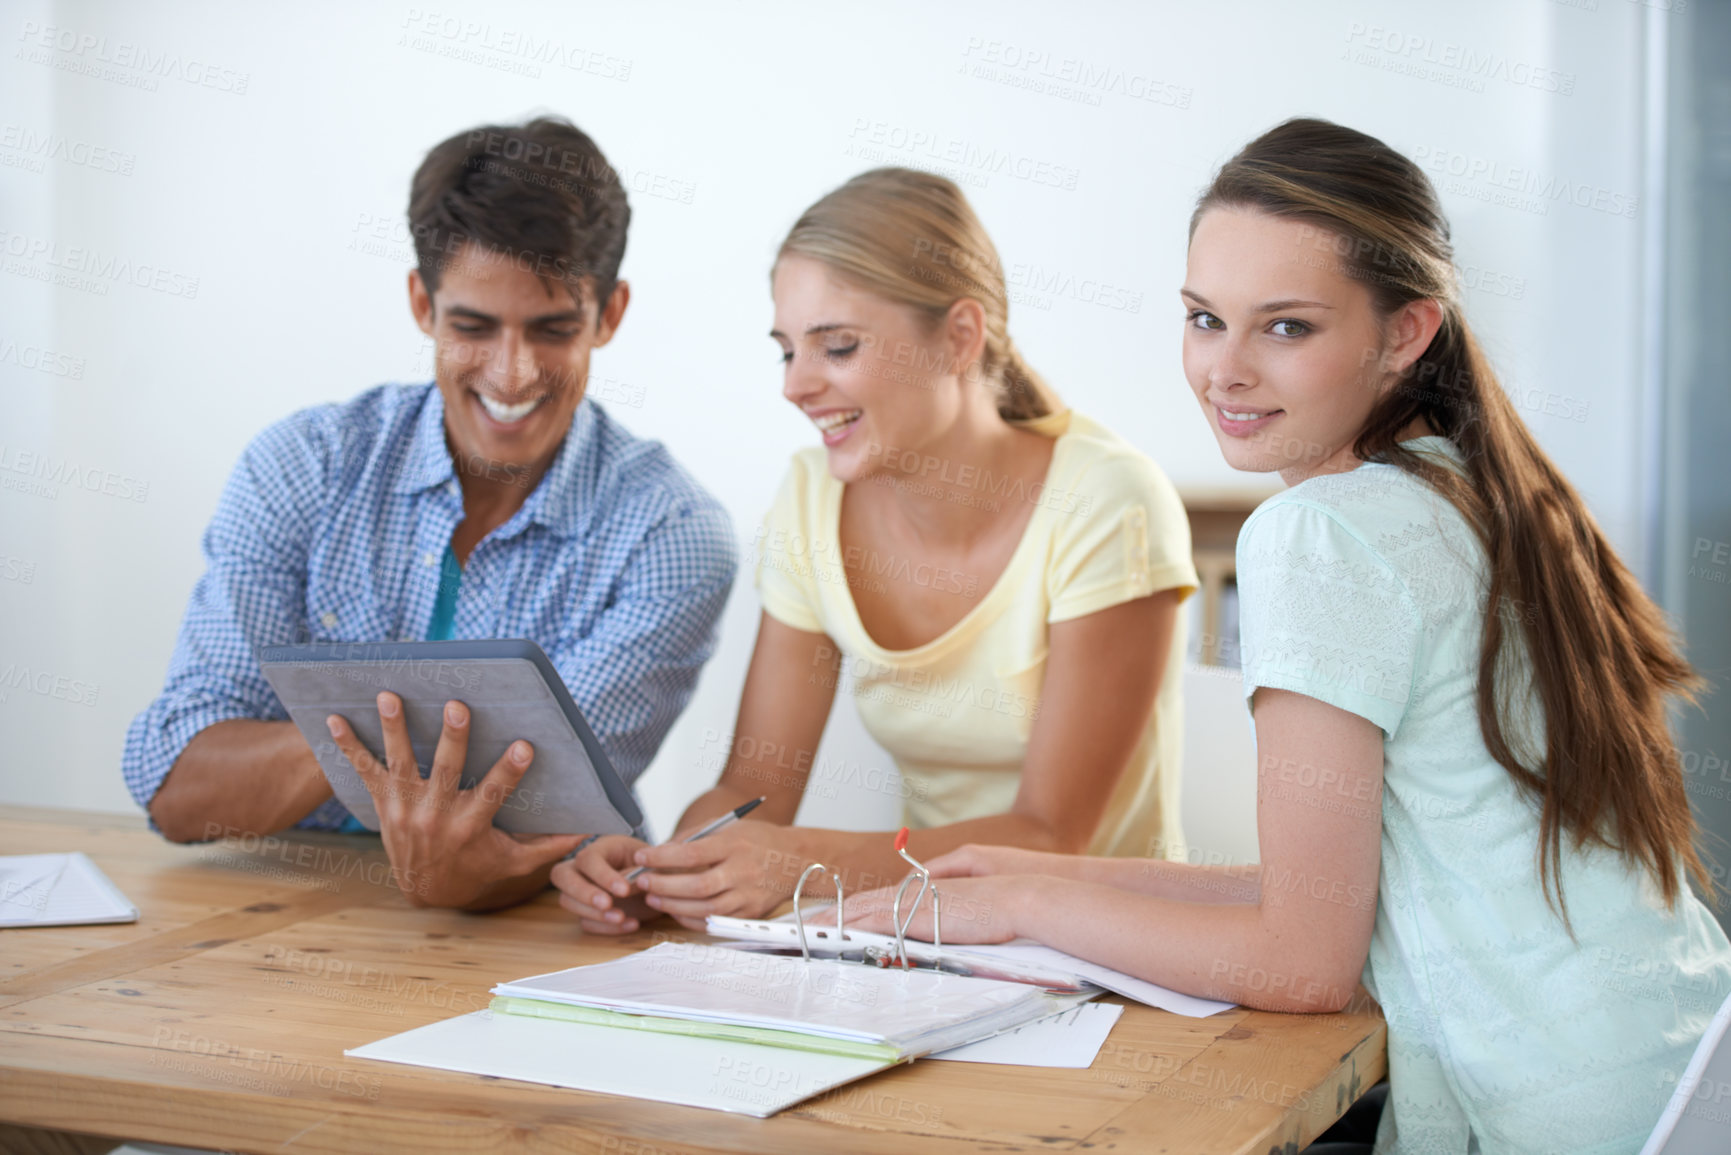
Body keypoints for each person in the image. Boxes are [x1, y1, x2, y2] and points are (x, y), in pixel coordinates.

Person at [847, 119, 1731, 1153]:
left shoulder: (1320, 532)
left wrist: (1025, 909)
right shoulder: (1470, 488)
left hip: (1572, 1115)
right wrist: (1041, 879)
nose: (1225, 370)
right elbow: (1341, 888)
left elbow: (1304, 961)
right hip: (1673, 1060)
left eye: (1287, 328)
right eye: (1205, 318)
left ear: (1404, 334)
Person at [554, 167, 1197, 935]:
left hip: (1113, 954)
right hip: (929, 941)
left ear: (959, 337)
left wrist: (798, 863)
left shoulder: (1105, 499)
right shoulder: (809, 497)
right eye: (786, 350)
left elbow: (1051, 836)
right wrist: (664, 870)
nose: (796, 384)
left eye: (838, 346)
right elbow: (756, 785)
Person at [122, 117, 736, 911]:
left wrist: (340, 724)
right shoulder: (300, 468)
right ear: (422, 303)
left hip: (535, 935)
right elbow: (176, 785)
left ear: (609, 315)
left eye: (552, 329)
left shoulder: (670, 535)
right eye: (473, 326)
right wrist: (394, 732)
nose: (510, 375)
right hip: (278, 915)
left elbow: (524, 835)